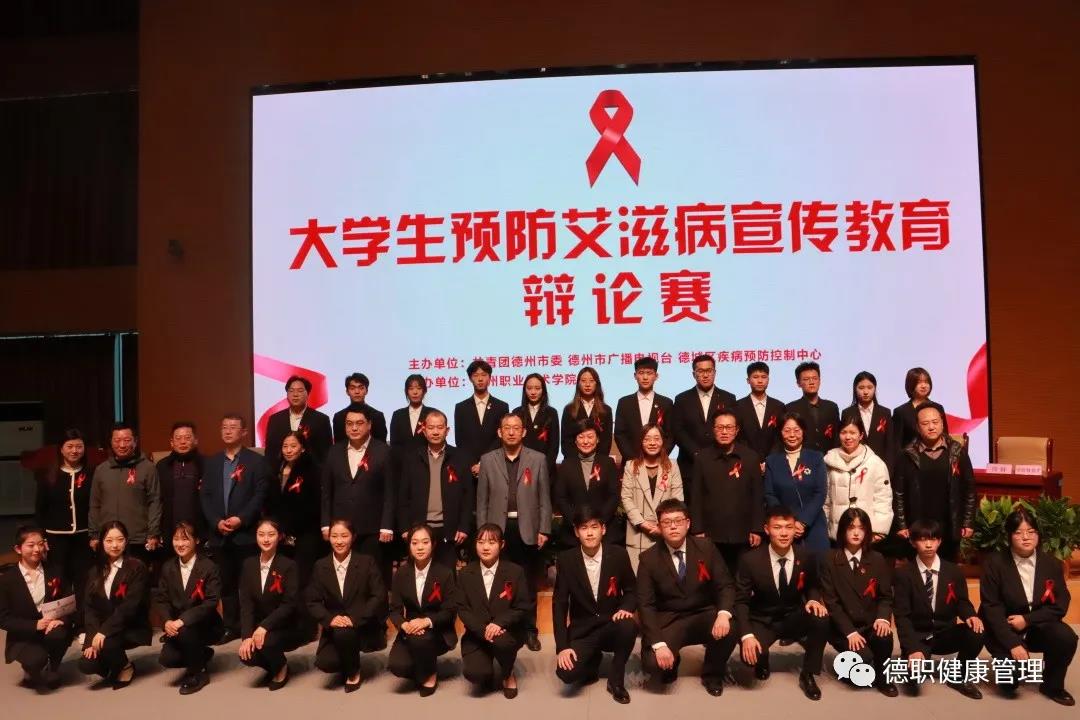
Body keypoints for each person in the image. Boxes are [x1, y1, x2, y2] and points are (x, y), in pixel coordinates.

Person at [637, 499, 736, 696]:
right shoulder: (648, 558)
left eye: (678, 521)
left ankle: (712, 674)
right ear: (659, 527)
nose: (673, 526)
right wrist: (659, 645)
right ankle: (672, 661)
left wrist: (723, 614)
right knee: (653, 664)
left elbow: (725, 585)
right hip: (670, 619)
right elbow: (645, 605)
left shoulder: (706, 547)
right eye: (667, 522)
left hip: (703, 613)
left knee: (731, 628)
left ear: (688, 523)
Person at [979, 507, 1076, 705]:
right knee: (1009, 683)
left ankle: (1052, 685)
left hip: (1036, 625)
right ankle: (1011, 666)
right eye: (1018, 532)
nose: (1026, 537)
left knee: (1066, 637)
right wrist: (1013, 644)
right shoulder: (994, 563)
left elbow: (1061, 604)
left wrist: (1028, 620)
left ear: (1038, 534)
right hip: (1003, 627)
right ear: (1009, 536)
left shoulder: (1051, 564)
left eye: (1031, 532)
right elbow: (991, 608)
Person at [735, 505, 829, 701]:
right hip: (763, 619)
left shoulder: (806, 556)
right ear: (767, 529)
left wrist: (813, 599)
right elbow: (741, 601)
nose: (784, 533)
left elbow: (813, 585)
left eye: (789, 527)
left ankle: (808, 674)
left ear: (795, 529)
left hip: (793, 616)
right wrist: (746, 636)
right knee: (749, 661)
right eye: (777, 527)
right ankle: (763, 657)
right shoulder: (750, 560)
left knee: (820, 618)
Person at [476, 413, 550, 651]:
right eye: (506, 428)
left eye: (516, 428)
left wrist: (544, 529)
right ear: (499, 432)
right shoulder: (488, 460)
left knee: (527, 582)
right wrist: (483, 533)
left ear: (523, 432)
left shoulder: (537, 459)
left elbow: (544, 499)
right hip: (496, 530)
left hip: (527, 528)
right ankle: (503, 628)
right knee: (500, 582)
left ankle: (530, 630)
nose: (511, 432)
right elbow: (482, 501)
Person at [553, 507, 638, 704]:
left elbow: (632, 590)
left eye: (594, 527)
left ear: (603, 529)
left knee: (629, 625)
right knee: (566, 674)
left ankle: (616, 680)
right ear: (576, 532)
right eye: (584, 528)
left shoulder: (618, 554)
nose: (590, 533)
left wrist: (625, 608)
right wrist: (562, 647)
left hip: (611, 624)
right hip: (583, 630)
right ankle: (591, 661)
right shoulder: (566, 560)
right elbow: (559, 605)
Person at [892, 519, 983, 699]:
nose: (928, 544)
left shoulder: (953, 571)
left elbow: (962, 602)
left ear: (939, 541)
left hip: (945, 633)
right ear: (913, 542)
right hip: (918, 637)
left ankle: (959, 675)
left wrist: (971, 615)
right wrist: (912, 648)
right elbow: (902, 616)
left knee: (977, 631)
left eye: (933, 539)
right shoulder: (903, 574)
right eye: (922, 539)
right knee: (913, 683)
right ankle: (911, 658)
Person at [201, 413, 270, 642]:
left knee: (251, 583)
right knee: (226, 584)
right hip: (220, 535)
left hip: (246, 534)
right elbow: (205, 496)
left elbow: (260, 495)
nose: (228, 431)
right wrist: (216, 522)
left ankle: (253, 625)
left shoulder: (256, 461)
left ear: (244, 432)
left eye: (233, 427)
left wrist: (241, 519)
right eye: (224, 427)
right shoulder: (212, 462)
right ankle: (231, 626)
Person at [818, 508, 897, 696]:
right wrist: (850, 632)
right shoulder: (829, 559)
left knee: (884, 636)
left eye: (861, 528)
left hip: (870, 623)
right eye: (851, 528)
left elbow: (886, 596)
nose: (856, 533)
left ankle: (883, 679)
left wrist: (883, 618)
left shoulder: (877, 559)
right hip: (843, 628)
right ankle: (853, 664)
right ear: (842, 531)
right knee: (864, 661)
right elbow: (832, 603)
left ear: (867, 531)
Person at [307, 519, 388, 692]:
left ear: (353, 537)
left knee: (345, 633)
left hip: (364, 624)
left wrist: (355, 619)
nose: (339, 541)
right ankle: (347, 657)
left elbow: (378, 595)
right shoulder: (320, 566)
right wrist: (330, 619)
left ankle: (353, 672)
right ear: (329, 538)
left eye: (344, 536)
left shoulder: (367, 562)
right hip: (335, 626)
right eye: (334, 536)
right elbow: (312, 601)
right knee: (326, 663)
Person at [454, 523, 532, 699]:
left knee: (503, 643)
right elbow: (462, 609)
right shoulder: (465, 573)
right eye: (481, 542)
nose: (485, 547)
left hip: (506, 631)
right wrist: (483, 630)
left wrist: (499, 623)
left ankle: (507, 673)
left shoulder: (515, 572)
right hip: (477, 633)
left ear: (502, 544)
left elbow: (522, 606)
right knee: (476, 674)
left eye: (491, 542)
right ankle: (486, 663)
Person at [893, 404, 975, 561]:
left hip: (949, 524)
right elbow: (898, 493)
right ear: (918, 427)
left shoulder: (957, 452)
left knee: (947, 570)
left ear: (942, 424)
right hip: (918, 525)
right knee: (918, 570)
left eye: (935, 422)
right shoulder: (906, 455)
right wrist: (901, 524)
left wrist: (967, 522)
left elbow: (969, 489)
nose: (931, 427)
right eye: (925, 423)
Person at [321, 405, 395, 571]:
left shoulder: (383, 451)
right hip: (341, 528)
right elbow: (326, 492)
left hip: (373, 527)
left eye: (359, 423)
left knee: (373, 573)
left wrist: (387, 525)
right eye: (349, 423)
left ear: (369, 425)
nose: (354, 428)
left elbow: (390, 492)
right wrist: (325, 524)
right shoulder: (334, 451)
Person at [151, 521, 222, 694]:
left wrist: (182, 620)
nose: (180, 544)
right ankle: (202, 654)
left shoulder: (209, 567)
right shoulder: (168, 567)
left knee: (186, 630)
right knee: (167, 659)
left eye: (185, 539)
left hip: (206, 624)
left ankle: (199, 672)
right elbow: (161, 599)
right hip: (177, 626)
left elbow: (211, 602)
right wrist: (167, 621)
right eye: (176, 539)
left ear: (196, 540)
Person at [387, 523, 459, 696]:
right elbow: (394, 610)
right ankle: (422, 663)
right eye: (415, 543)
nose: (420, 547)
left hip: (437, 629)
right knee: (398, 666)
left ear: (433, 545)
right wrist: (404, 625)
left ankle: (430, 672)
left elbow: (450, 610)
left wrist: (426, 621)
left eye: (425, 542)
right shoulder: (401, 573)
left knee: (423, 640)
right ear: (409, 545)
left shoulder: (445, 573)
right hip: (410, 628)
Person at [397, 409, 473, 570]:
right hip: (419, 529)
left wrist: (464, 526)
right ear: (424, 430)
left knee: (447, 576)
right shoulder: (412, 457)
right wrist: (404, 528)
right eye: (431, 427)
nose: (436, 432)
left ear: (447, 430)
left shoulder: (460, 457)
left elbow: (468, 496)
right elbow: (403, 496)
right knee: (419, 576)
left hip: (449, 529)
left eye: (440, 427)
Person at [0, 526, 73, 692]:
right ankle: (32, 668)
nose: (37, 549)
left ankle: (53, 667)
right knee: (35, 660)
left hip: (52, 627)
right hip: (23, 634)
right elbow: (3, 618)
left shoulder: (55, 570)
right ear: (18, 549)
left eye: (40, 544)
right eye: (31, 545)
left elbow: (68, 601)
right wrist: (34, 625)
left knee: (59, 634)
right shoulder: (7, 580)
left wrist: (60, 620)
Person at [78, 520, 150, 689]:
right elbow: (90, 608)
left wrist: (103, 631)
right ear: (102, 542)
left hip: (130, 625)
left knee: (107, 643)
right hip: (103, 629)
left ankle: (125, 666)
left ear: (126, 541)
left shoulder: (136, 567)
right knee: (86, 664)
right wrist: (91, 638)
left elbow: (129, 607)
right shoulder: (95, 570)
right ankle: (114, 665)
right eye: (109, 540)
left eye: (120, 540)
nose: (115, 545)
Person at [34, 428, 93, 634]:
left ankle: (83, 624)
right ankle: (63, 624)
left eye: (79, 446)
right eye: (70, 446)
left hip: (84, 537)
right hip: (55, 538)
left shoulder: (91, 473)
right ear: (61, 449)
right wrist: (41, 538)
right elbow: (40, 510)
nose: (74, 450)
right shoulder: (48, 475)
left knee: (84, 580)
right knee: (60, 580)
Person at [690, 409, 764, 572]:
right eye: (720, 427)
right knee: (713, 578)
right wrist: (697, 529)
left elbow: (758, 496)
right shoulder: (702, 458)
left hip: (744, 533)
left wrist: (757, 529)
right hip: (711, 534)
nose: (724, 432)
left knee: (743, 578)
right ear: (713, 429)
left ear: (736, 430)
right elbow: (696, 496)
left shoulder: (750, 457)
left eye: (729, 427)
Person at [238, 518, 302, 690]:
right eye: (261, 534)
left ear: (279, 537)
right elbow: (246, 604)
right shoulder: (248, 564)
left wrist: (264, 627)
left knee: (267, 642)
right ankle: (273, 664)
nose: (266, 539)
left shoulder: (289, 565)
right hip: (260, 626)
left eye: (271, 534)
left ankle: (281, 667)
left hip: (286, 625)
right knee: (246, 654)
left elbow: (289, 604)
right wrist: (246, 636)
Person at [88, 422, 162, 563]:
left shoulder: (148, 468)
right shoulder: (101, 470)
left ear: (135, 441)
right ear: (111, 442)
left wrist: (153, 533)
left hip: (138, 539)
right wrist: (94, 534)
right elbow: (94, 504)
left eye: (127, 440)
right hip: (108, 539)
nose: (122, 445)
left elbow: (155, 501)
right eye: (117, 440)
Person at [672, 354, 737, 497]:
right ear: (694, 374)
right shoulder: (682, 399)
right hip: (690, 465)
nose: (705, 375)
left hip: (721, 462)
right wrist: (696, 453)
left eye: (709, 371)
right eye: (700, 371)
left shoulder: (728, 398)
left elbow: (732, 429)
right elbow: (678, 430)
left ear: (715, 372)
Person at [265, 430, 323, 589]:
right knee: (281, 578)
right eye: (285, 446)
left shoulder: (312, 470)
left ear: (302, 448)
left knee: (301, 579)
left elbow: (314, 505)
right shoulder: (276, 468)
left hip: (305, 533)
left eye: (293, 446)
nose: (288, 450)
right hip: (280, 533)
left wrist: (290, 527)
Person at [621, 424, 683, 571]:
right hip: (638, 536)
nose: (652, 443)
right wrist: (642, 523)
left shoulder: (672, 466)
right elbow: (626, 498)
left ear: (662, 442)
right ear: (641, 442)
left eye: (656, 438)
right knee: (638, 580)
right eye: (647, 439)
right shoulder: (631, 466)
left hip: (666, 534)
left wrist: (663, 526)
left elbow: (678, 500)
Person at [763, 414, 829, 552]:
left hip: (814, 524)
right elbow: (770, 494)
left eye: (796, 430)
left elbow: (820, 493)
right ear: (780, 433)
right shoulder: (772, 461)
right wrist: (788, 523)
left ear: (803, 431)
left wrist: (803, 522)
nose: (792, 435)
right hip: (784, 528)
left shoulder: (816, 458)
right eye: (787, 430)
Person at [823, 414, 893, 543]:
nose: (848, 437)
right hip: (836, 533)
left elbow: (883, 499)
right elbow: (825, 499)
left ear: (861, 435)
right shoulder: (829, 461)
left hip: (865, 532)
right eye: (843, 432)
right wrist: (824, 526)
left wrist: (879, 530)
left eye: (852, 433)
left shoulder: (875, 463)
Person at [554, 421, 623, 546]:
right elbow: (560, 497)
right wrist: (577, 523)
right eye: (581, 437)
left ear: (597, 439)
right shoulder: (566, 465)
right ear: (575, 441)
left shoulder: (608, 463)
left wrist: (598, 523)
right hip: (573, 532)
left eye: (590, 437)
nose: (585, 441)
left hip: (605, 530)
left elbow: (614, 496)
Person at [454, 360, 510, 478]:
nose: (480, 379)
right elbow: (460, 441)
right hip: (469, 468)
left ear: (490, 378)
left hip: (495, 466)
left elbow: (501, 438)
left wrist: (483, 463)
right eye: (476, 375)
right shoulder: (461, 408)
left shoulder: (502, 407)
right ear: (470, 379)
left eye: (484, 375)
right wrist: (473, 464)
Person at [156, 422, 206, 550]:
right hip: (169, 529)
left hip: (200, 528)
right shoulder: (162, 466)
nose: (183, 442)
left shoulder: (207, 464)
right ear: (172, 442)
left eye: (187, 438)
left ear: (196, 440)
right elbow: (157, 499)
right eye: (178, 438)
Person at [614, 356, 674, 461]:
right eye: (641, 373)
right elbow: (620, 434)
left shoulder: (666, 403)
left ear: (656, 376)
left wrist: (660, 457)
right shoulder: (624, 403)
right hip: (631, 462)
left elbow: (670, 435)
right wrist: (632, 460)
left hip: (659, 462)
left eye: (649, 373)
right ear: (635, 376)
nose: (645, 377)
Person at [264, 375, 332, 466]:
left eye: (300, 391)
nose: (295, 394)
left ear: (308, 393)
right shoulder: (275, 419)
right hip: (280, 471)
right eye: (291, 391)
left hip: (311, 471)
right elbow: (270, 452)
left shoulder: (321, 419)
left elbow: (326, 453)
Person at [734, 362, 786, 464]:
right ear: (748, 380)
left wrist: (769, 461)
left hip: (774, 462)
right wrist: (751, 460)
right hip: (745, 462)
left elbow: (780, 437)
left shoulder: (779, 406)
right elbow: (738, 437)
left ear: (768, 380)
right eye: (755, 377)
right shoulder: (738, 406)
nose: (760, 381)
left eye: (763, 377)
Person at [843, 371, 895, 470]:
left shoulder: (885, 413)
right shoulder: (847, 413)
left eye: (870, 387)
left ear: (875, 389)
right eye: (861, 388)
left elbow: (890, 445)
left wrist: (888, 470)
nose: (866, 392)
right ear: (855, 389)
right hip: (855, 467)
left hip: (880, 467)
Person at [560, 366, 614, 462]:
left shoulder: (606, 410)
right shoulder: (569, 409)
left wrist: (595, 462)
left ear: (597, 384)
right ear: (578, 384)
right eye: (583, 381)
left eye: (591, 381)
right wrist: (577, 462)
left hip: (598, 463)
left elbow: (606, 441)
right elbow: (566, 441)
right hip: (574, 462)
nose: (587, 384)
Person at [784, 362, 840, 452]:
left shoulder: (831, 407)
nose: (811, 382)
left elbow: (837, 436)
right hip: (802, 458)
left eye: (815, 378)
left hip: (829, 457)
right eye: (806, 379)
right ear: (798, 383)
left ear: (819, 381)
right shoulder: (790, 408)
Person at [514, 373, 559, 483]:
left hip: (546, 472)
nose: (533, 392)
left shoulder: (551, 413)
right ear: (524, 390)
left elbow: (554, 446)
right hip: (521, 470)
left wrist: (544, 470)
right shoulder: (517, 412)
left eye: (537, 388)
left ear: (543, 390)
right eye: (529, 388)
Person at [892, 367, 949, 451]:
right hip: (910, 456)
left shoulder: (938, 408)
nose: (923, 386)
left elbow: (945, 436)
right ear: (911, 385)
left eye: (926, 382)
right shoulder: (901, 412)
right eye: (919, 382)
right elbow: (896, 444)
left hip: (938, 454)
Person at [388, 373, 434, 468]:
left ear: (424, 391)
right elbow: (394, 445)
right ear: (406, 392)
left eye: (419, 388)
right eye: (411, 389)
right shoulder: (397, 415)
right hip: (402, 467)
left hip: (427, 466)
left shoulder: (432, 414)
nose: (415, 392)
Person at [332, 372, 388, 444]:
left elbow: (382, 445)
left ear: (366, 391)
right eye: (352, 388)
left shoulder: (377, 416)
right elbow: (338, 446)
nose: (357, 392)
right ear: (347, 392)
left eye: (361, 388)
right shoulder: (339, 417)